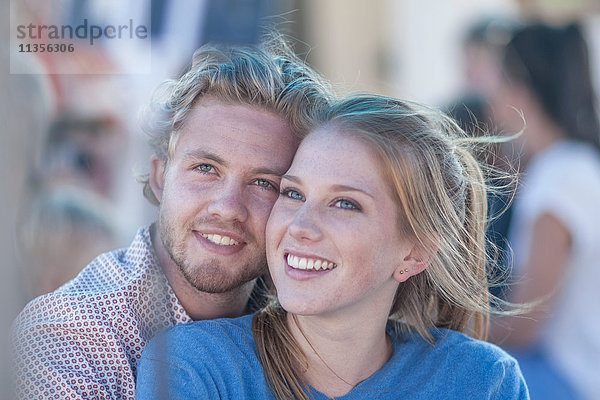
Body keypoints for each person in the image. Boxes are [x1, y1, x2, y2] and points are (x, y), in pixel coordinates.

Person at [136, 95, 529, 399]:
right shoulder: (194, 367)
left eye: (345, 204)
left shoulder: (482, 380)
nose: (301, 227)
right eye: (292, 193)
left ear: (415, 253)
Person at [11, 35, 332, 400]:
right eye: (206, 168)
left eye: (264, 183)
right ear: (160, 177)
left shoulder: (309, 324)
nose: (227, 207)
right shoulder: (69, 337)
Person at [489, 23, 600, 400]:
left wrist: (441, 326)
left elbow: (526, 324)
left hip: (566, 378)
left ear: (519, 88)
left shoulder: (560, 178)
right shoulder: (570, 165)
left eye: (497, 81)